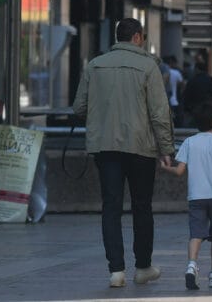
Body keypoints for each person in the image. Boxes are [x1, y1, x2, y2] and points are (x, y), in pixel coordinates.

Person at [73, 18, 175, 288]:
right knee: (142, 206)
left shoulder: (95, 65)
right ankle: (143, 267)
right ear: (138, 37)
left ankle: (116, 270)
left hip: (106, 147)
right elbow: (159, 113)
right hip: (141, 147)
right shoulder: (148, 67)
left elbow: (79, 107)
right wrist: (166, 148)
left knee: (111, 206)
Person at [159, 100, 212, 290]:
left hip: (196, 197)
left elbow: (179, 171)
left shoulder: (189, 142)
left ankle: (191, 266)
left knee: (196, 234)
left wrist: (165, 168)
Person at [164, 55, 185, 127]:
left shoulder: (161, 71)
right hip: (174, 100)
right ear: (172, 62)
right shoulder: (176, 73)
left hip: (164, 100)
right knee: (175, 119)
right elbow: (182, 85)